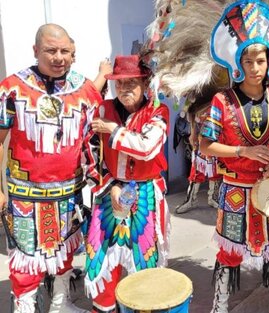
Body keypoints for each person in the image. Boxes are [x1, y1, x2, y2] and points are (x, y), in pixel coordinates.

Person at [201, 1, 269, 312]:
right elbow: (205, 145)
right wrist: (243, 150)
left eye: (261, 60)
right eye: (249, 61)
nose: (256, 68)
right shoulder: (222, 100)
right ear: (237, 61)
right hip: (235, 189)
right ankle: (221, 304)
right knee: (229, 253)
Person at [0, 24, 102, 312]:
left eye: (65, 51)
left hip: (69, 193)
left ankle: (61, 303)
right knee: (26, 257)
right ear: (36, 50)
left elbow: (94, 141)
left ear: (73, 53)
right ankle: (25, 306)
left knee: (66, 252)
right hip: (25, 194)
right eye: (51, 50)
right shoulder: (12, 88)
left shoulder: (85, 90)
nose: (58, 57)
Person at [82, 54, 170, 313]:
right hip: (109, 192)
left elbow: (146, 148)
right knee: (104, 259)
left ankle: (141, 307)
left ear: (145, 84)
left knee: (144, 261)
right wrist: (110, 185)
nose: (124, 89)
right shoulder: (102, 109)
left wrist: (113, 129)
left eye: (132, 83)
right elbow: (90, 155)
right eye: (119, 83)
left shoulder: (158, 112)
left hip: (145, 195)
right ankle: (105, 308)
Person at [175, 96, 222, 214]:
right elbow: (191, 114)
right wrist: (193, 134)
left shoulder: (219, 98)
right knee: (196, 171)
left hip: (215, 141)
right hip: (200, 141)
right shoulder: (197, 97)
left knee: (215, 171)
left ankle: (213, 198)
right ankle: (191, 199)